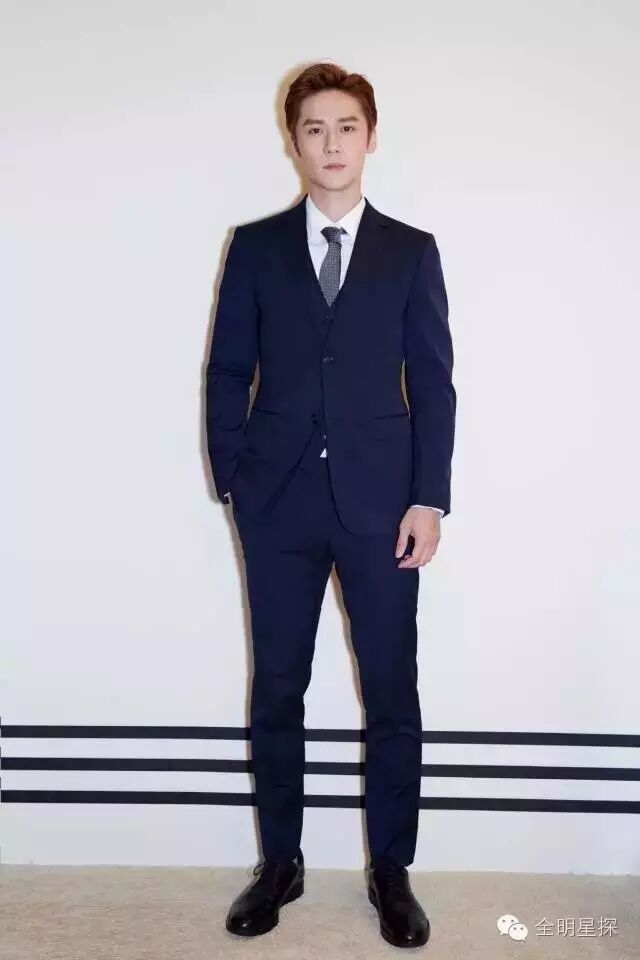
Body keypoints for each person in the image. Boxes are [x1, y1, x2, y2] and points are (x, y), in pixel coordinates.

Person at [206, 61, 456, 949]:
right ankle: (281, 863)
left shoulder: (411, 251)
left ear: (371, 137)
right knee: (279, 686)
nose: (332, 143)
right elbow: (228, 369)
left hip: (383, 507)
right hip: (276, 505)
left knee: (390, 689)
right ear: (294, 142)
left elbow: (434, 382)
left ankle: (391, 870)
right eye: (314, 127)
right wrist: (233, 479)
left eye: (347, 126)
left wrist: (429, 499)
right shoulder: (256, 247)